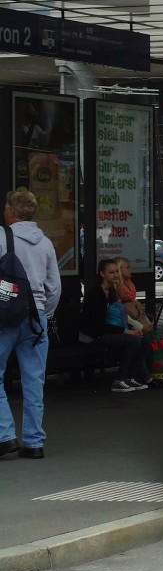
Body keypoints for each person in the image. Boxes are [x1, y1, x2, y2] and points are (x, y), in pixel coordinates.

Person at [0, 189, 62, 460]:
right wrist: (44, 314)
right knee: (34, 380)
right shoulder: (46, 243)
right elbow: (55, 288)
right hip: (36, 317)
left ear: (11, 211)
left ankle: (5, 436)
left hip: (6, 316)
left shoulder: (2, 236)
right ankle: (34, 442)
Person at [82, 258, 152, 394]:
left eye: (116, 272)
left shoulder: (112, 292)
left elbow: (117, 317)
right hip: (94, 334)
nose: (115, 275)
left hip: (110, 330)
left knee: (145, 339)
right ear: (102, 274)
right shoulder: (96, 294)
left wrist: (132, 329)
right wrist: (126, 331)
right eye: (111, 272)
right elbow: (99, 325)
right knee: (134, 341)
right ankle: (119, 379)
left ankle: (130, 376)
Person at [114, 256, 155, 337]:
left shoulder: (129, 284)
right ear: (119, 269)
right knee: (142, 339)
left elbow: (138, 310)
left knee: (146, 338)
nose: (131, 269)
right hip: (126, 326)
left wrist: (147, 324)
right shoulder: (115, 287)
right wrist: (141, 327)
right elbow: (123, 314)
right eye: (127, 267)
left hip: (137, 323)